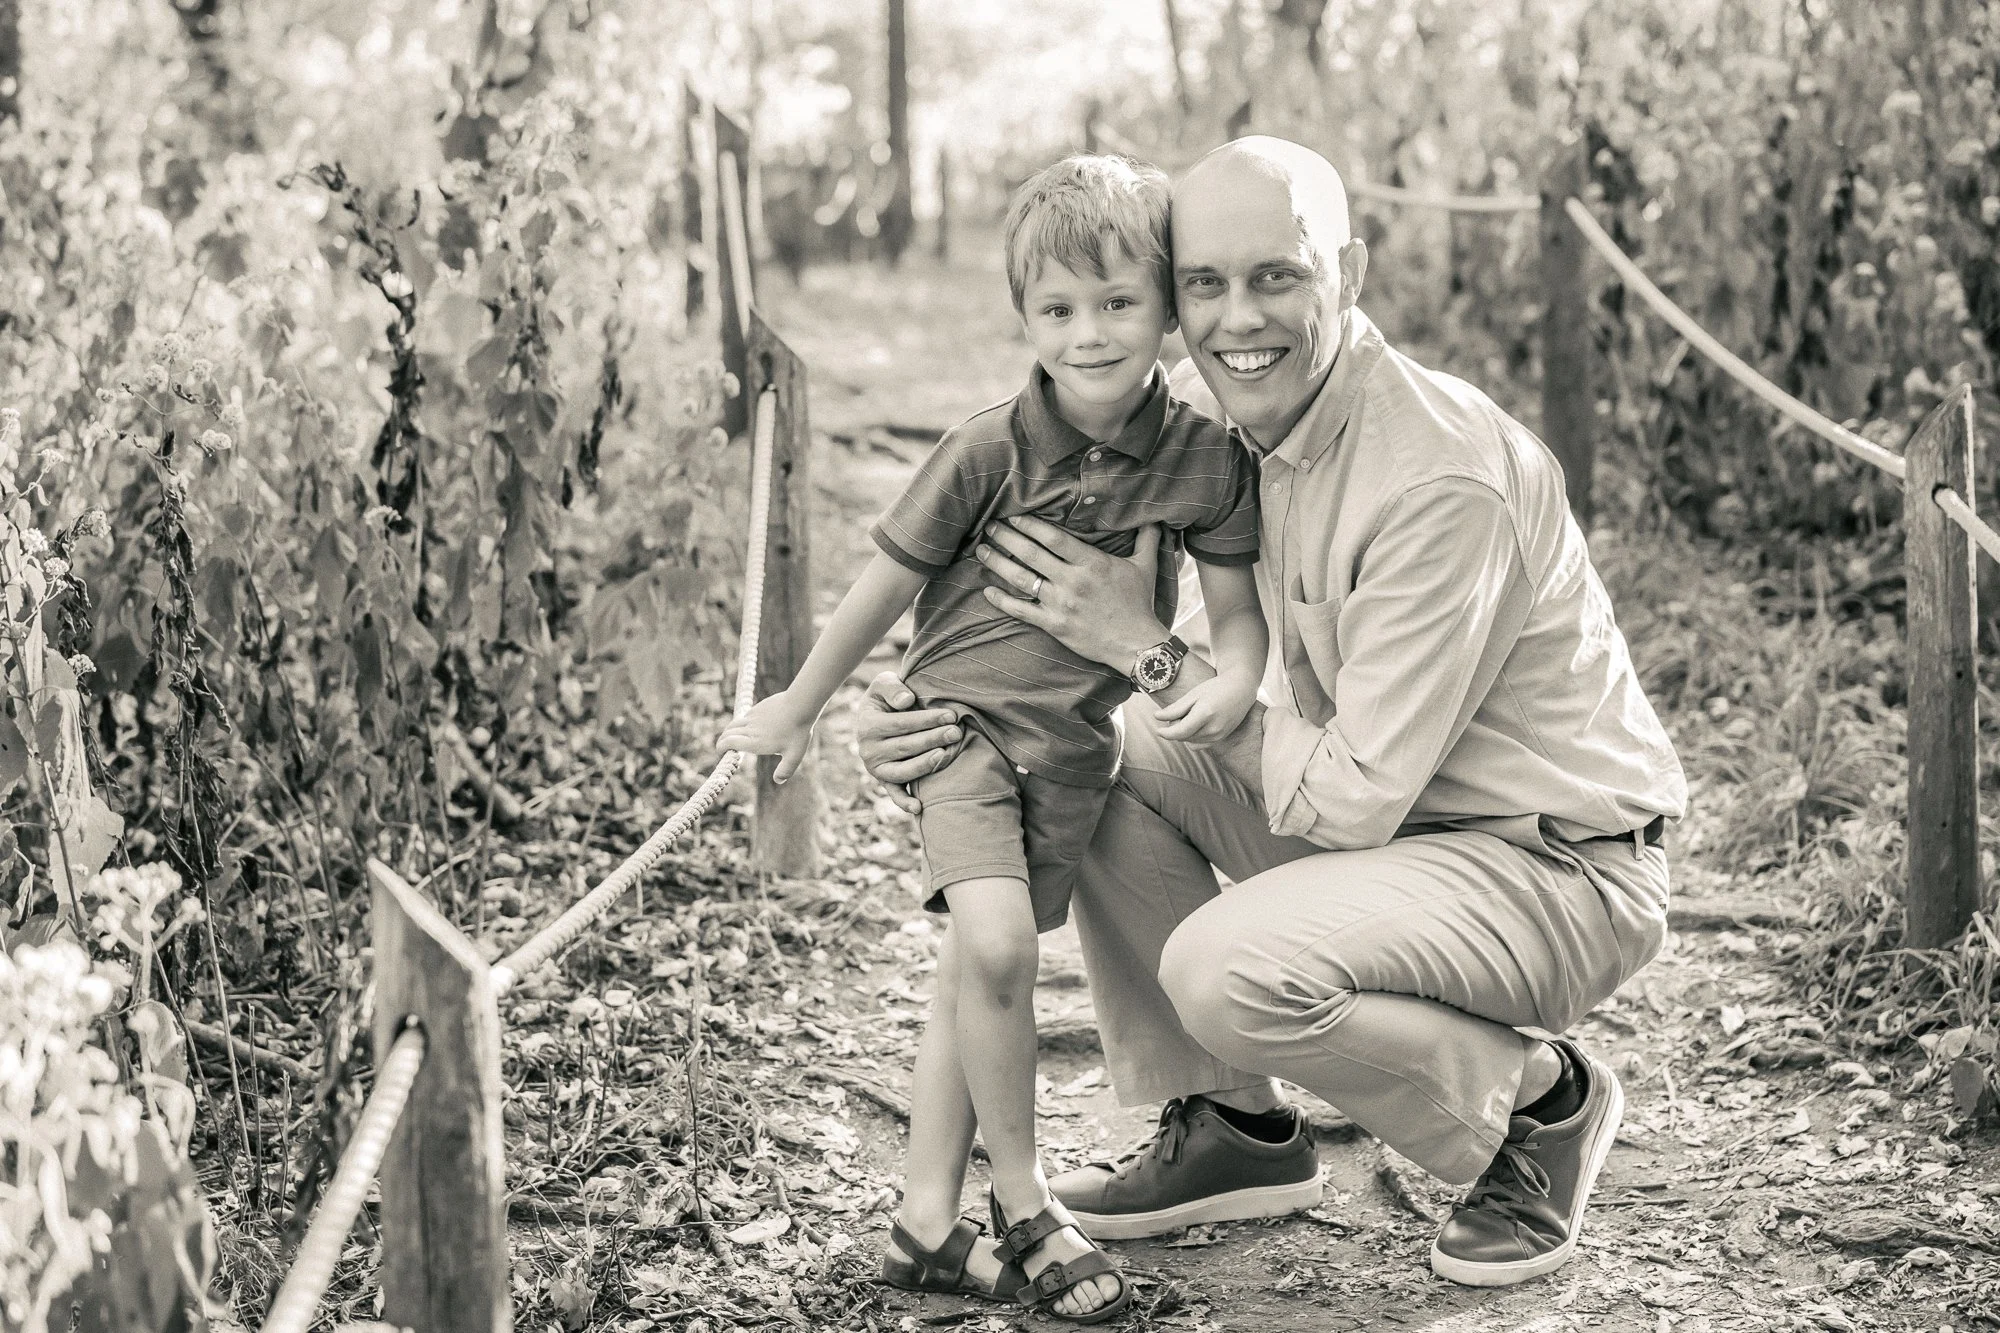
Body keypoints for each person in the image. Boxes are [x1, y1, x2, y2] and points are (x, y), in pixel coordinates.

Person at [855, 135, 1688, 1290]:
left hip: (1549, 864)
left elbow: (1350, 796)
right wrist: (918, 717)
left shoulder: (1436, 477)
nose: (1236, 317)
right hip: (1402, 832)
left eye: (1276, 276)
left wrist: (1144, 647)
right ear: (1172, 301)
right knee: (1096, 749)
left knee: (1224, 967)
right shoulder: (1219, 418)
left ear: (1347, 271)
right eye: (1204, 284)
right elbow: (1025, 608)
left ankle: (1535, 1104)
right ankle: (1233, 1125)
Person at [719, 153, 1269, 1322]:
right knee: (1004, 950)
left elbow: (1233, 616)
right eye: (1056, 311)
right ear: (1022, 317)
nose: (1088, 334)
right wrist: (800, 704)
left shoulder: (1205, 460)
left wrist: (1233, 676)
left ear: (1167, 307)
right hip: (958, 736)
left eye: (1117, 302)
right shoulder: (986, 449)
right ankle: (1023, 1200)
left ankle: (923, 1220)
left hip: (1072, 752)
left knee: (979, 970)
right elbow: (882, 583)